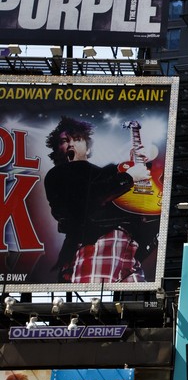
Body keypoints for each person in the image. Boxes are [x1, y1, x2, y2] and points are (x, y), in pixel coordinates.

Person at [44, 116, 157, 283]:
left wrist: (135, 164)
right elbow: (85, 200)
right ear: (57, 149)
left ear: (88, 149)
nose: (71, 144)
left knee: (131, 306)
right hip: (97, 246)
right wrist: (127, 177)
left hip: (129, 250)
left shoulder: (106, 172)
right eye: (64, 141)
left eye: (77, 139)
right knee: (98, 304)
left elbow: (134, 200)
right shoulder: (57, 175)